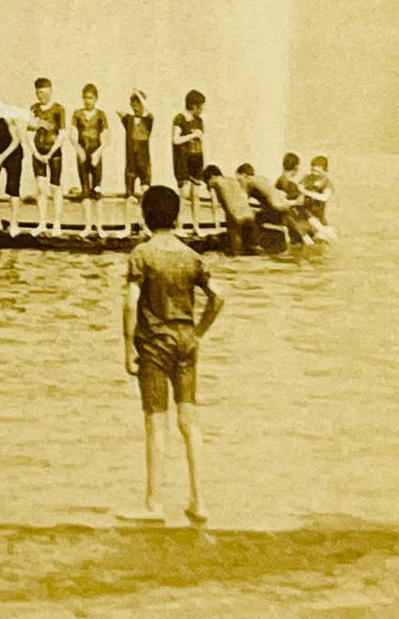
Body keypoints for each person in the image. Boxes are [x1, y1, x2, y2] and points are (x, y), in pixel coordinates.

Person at [121, 185, 224, 526]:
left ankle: (153, 504)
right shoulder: (191, 256)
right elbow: (218, 298)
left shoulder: (142, 254)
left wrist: (126, 345)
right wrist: (198, 332)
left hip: (154, 344)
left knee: (156, 422)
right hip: (186, 343)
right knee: (189, 422)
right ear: (178, 217)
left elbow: (130, 302)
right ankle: (199, 500)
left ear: (146, 217)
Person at [236, 164, 309, 246]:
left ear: (244, 176)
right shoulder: (260, 179)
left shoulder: (250, 182)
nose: (238, 183)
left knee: (252, 220)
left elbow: (243, 199)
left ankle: (271, 234)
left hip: (279, 206)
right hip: (283, 205)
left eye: (239, 179)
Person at [71, 84, 108, 237]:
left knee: (97, 191)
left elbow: (106, 137)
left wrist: (98, 152)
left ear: (96, 99)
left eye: (90, 98)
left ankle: (99, 226)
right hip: (82, 155)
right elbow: (72, 134)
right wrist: (78, 149)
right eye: (85, 98)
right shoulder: (77, 114)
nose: (87, 101)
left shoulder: (100, 115)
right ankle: (87, 226)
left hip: (96, 155)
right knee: (85, 191)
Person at [118, 91, 155, 237]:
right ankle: (127, 227)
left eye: (138, 103)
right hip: (131, 164)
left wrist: (140, 97)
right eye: (134, 103)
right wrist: (132, 96)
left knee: (145, 195)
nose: (136, 106)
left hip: (144, 164)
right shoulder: (128, 119)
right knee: (128, 195)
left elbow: (149, 110)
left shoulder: (148, 121)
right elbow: (118, 110)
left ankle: (146, 226)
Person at [26, 112, 68, 237]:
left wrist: (50, 153)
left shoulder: (58, 109)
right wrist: (35, 152)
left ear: (49, 91)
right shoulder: (34, 109)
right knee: (40, 187)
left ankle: (57, 223)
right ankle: (42, 223)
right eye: (39, 92)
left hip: (54, 153)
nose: (41, 95)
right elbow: (29, 133)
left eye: (44, 91)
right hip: (38, 152)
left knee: (55, 187)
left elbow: (62, 134)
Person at [172, 91, 209, 231]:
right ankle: (179, 225)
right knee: (184, 193)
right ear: (194, 106)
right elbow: (175, 140)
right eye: (201, 107)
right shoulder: (179, 118)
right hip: (183, 159)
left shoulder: (199, 121)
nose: (202, 110)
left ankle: (196, 225)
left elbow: (200, 141)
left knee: (196, 194)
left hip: (197, 158)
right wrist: (192, 135)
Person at [202, 165, 258, 255]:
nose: (207, 186)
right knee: (249, 248)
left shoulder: (216, 182)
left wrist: (219, 222)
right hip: (249, 215)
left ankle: (237, 255)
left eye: (206, 182)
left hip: (235, 215)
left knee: (235, 244)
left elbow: (219, 203)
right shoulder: (233, 180)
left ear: (212, 177)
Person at [302, 156, 335, 238]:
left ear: (325, 170)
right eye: (312, 170)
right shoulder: (307, 178)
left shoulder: (326, 183)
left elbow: (324, 197)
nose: (314, 173)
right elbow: (298, 187)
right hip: (305, 214)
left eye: (317, 171)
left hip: (319, 217)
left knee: (324, 237)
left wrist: (306, 192)